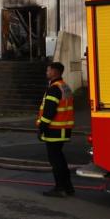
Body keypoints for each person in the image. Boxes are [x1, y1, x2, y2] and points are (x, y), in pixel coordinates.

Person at [37, 62, 75, 197]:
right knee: (60, 160)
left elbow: (49, 112)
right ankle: (68, 187)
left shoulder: (54, 88)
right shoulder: (65, 86)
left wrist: (41, 128)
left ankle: (60, 188)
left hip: (54, 130)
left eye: (48, 70)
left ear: (54, 72)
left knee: (56, 161)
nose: (47, 72)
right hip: (63, 128)